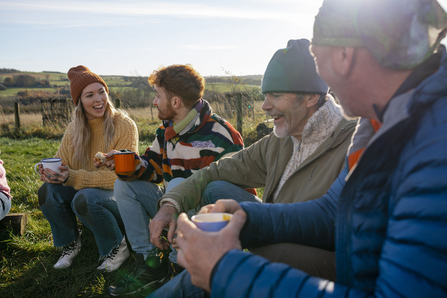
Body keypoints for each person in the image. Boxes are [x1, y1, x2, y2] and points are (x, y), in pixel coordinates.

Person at [171, 0, 447, 297]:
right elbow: (333, 211)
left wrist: (224, 269)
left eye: (316, 57)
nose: (322, 82)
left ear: (344, 56)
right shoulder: (379, 123)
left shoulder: (434, 146)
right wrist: (246, 217)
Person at [147, 39, 356, 297]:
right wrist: (171, 205)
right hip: (274, 234)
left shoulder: (354, 145)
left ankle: (225, 270)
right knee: (216, 188)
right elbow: (216, 170)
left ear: (312, 97)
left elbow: (343, 231)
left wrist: (233, 242)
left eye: (276, 95)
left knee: (223, 266)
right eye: (265, 96)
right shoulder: (280, 141)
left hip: (328, 269)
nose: (265, 106)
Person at [104, 64, 255, 296]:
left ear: (175, 102)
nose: (154, 102)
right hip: (169, 207)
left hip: (207, 224)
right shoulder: (165, 131)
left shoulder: (221, 135)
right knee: (124, 185)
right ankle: (151, 263)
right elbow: (152, 169)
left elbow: (235, 194)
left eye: (158, 95)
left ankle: (180, 265)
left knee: (177, 184)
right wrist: (129, 165)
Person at [37, 65, 138, 272]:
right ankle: (71, 243)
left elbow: (120, 177)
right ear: (79, 102)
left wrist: (72, 177)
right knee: (47, 192)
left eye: (101, 92)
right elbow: (61, 162)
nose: (98, 99)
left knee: (85, 197)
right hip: (85, 194)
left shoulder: (124, 125)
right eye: (90, 95)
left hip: (118, 199)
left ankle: (117, 245)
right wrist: (51, 174)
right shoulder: (75, 128)